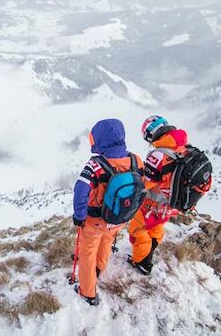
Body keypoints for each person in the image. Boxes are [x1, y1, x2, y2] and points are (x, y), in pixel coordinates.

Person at [72, 118, 144, 306]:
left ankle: (87, 291)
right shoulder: (136, 160)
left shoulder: (95, 164)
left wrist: (79, 216)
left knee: (87, 251)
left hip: (95, 219)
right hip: (119, 217)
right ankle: (99, 268)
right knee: (107, 240)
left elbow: (80, 190)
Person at [127, 115, 187, 275]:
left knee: (136, 229)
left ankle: (142, 262)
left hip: (154, 204)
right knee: (156, 226)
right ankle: (149, 251)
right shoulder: (183, 148)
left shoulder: (159, 154)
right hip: (171, 204)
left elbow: (146, 182)